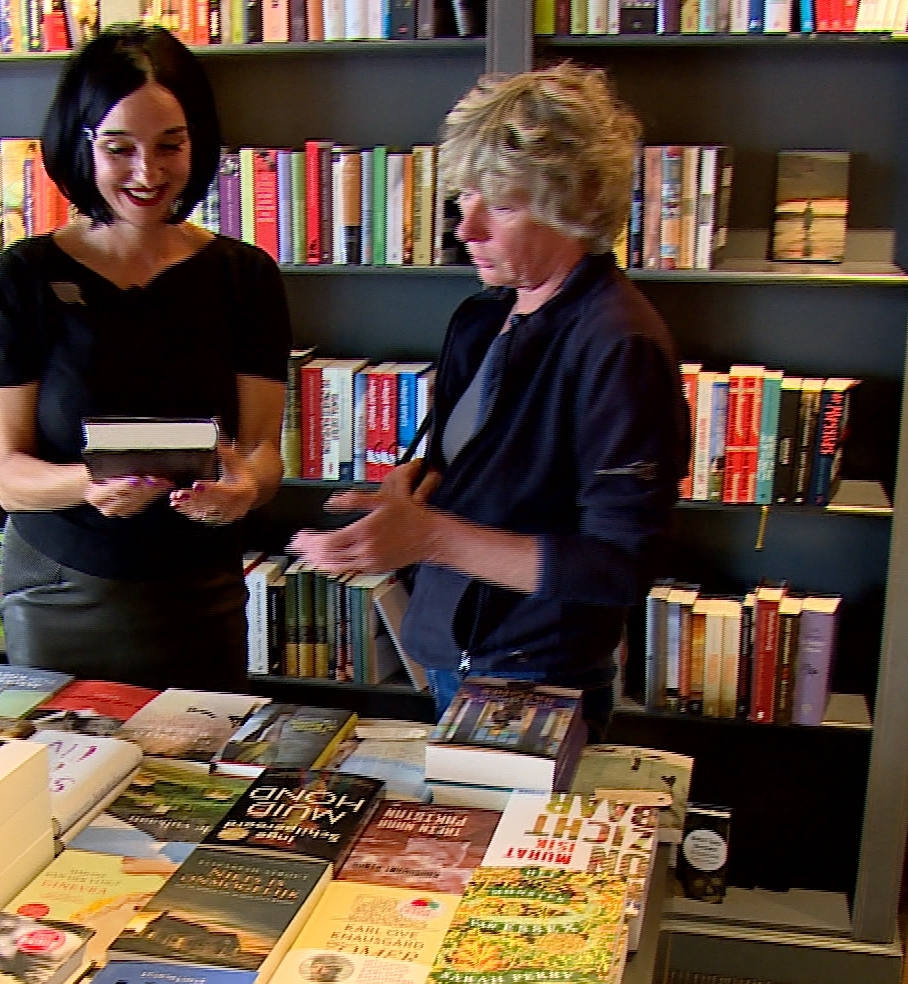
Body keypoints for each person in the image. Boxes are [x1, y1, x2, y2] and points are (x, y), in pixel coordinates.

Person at [290, 64, 691, 732]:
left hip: (540, 674)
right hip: (460, 646)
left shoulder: (619, 344)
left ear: (577, 202)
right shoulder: (488, 315)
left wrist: (430, 537)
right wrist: (412, 489)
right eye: (468, 196)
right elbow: (495, 466)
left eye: (501, 206)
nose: (466, 227)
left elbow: (619, 567)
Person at [0, 25, 291, 690]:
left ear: (196, 142)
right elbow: (7, 476)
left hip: (199, 589)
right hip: (61, 587)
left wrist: (246, 490)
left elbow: (263, 450)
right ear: (80, 144)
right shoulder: (22, 278)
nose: (148, 174)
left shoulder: (244, 276)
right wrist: (87, 485)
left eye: (170, 145)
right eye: (120, 149)